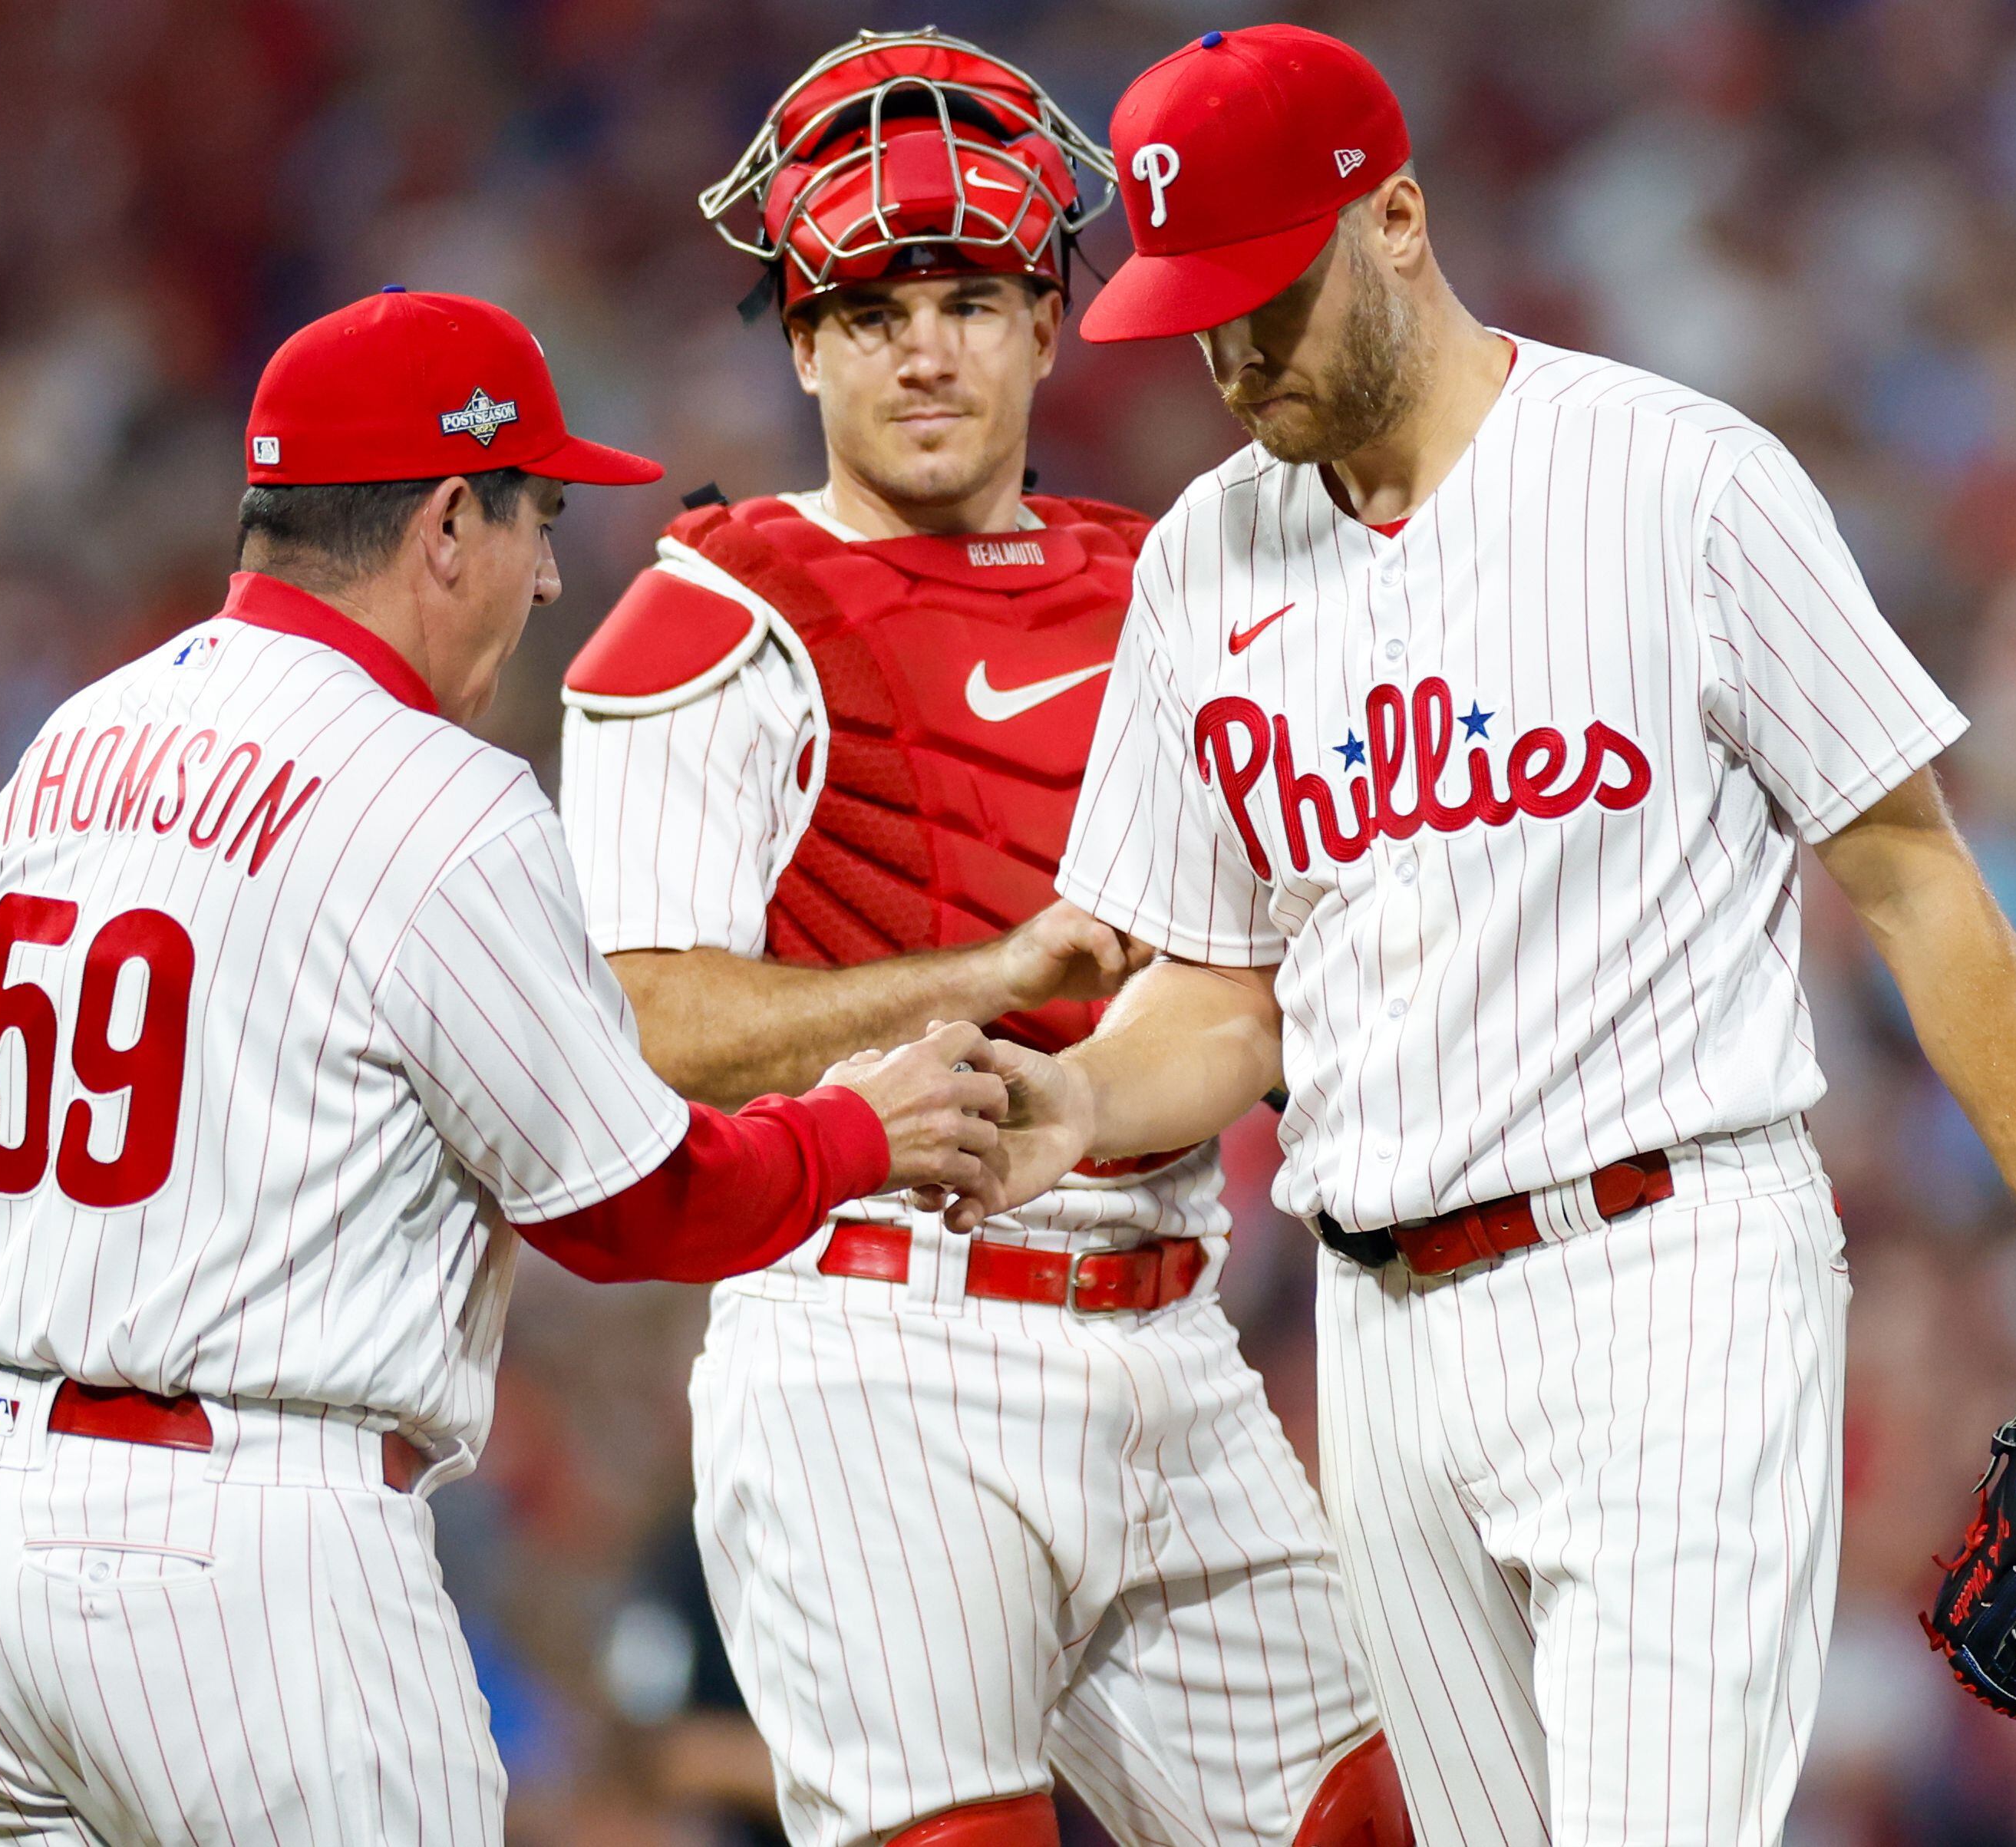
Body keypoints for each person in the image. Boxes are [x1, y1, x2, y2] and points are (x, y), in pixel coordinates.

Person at [948, 26, 2016, 1847]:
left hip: (1667, 1280)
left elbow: (1918, 883)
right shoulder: (1199, 562)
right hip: (1382, 1338)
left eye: (1266, 301)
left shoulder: (1674, 484)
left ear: (1394, 219)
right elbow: (1225, 997)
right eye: (1194, 317)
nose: (1233, 359)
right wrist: (1071, 1112)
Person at [0, 288, 1009, 1846]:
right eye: (536, 517)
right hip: (244, 1564)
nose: (550, 573)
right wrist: (854, 1132)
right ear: (443, 524)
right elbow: (630, 1206)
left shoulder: (70, 742)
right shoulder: (431, 796)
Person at [556, 31, 1407, 1847]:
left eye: (965, 297)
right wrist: (977, 983)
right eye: (869, 310)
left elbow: (1258, 970)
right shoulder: (706, 617)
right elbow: (640, 1023)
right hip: (880, 1341)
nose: (923, 347)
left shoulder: (1175, 578)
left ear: (1046, 321)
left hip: (1174, 1335)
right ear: (799, 344)